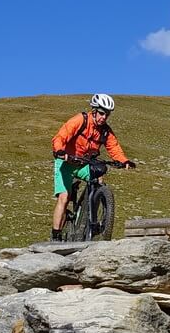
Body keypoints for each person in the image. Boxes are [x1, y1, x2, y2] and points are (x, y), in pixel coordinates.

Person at [50, 93, 135, 240]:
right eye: (101, 113)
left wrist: (124, 161)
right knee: (64, 198)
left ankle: (92, 215)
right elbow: (61, 136)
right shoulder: (80, 120)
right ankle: (55, 236)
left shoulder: (105, 131)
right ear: (94, 111)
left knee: (99, 179)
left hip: (84, 163)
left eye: (106, 115)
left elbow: (114, 147)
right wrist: (60, 151)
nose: (104, 117)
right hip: (66, 162)